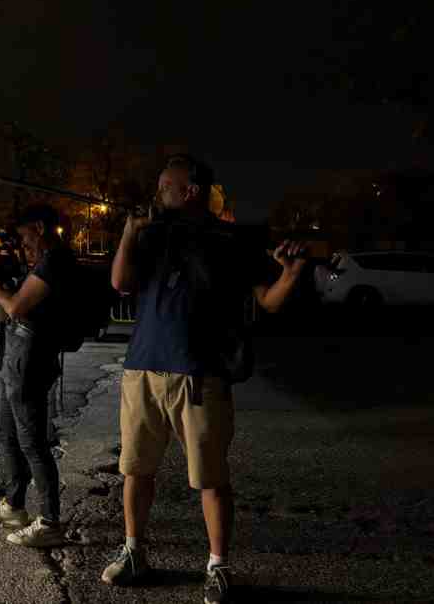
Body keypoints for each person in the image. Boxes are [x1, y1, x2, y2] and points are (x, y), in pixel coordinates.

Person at [102, 155, 306, 603]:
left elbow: (269, 301)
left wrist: (290, 275)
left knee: (210, 477)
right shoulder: (153, 233)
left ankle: (218, 566)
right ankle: (134, 552)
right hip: (143, 369)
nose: (158, 193)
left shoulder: (232, 239)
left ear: (190, 190)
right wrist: (130, 231)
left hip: (202, 374)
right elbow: (121, 282)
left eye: (165, 186)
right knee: (135, 469)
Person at [0, 202, 74, 549]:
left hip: (30, 360)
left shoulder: (54, 261)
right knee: (10, 435)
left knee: (32, 441)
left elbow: (15, 307)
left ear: (40, 228)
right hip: (16, 358)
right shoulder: (42, 262)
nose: (23, 242)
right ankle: (14, 505)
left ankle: (50, 521)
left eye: (25, 235)